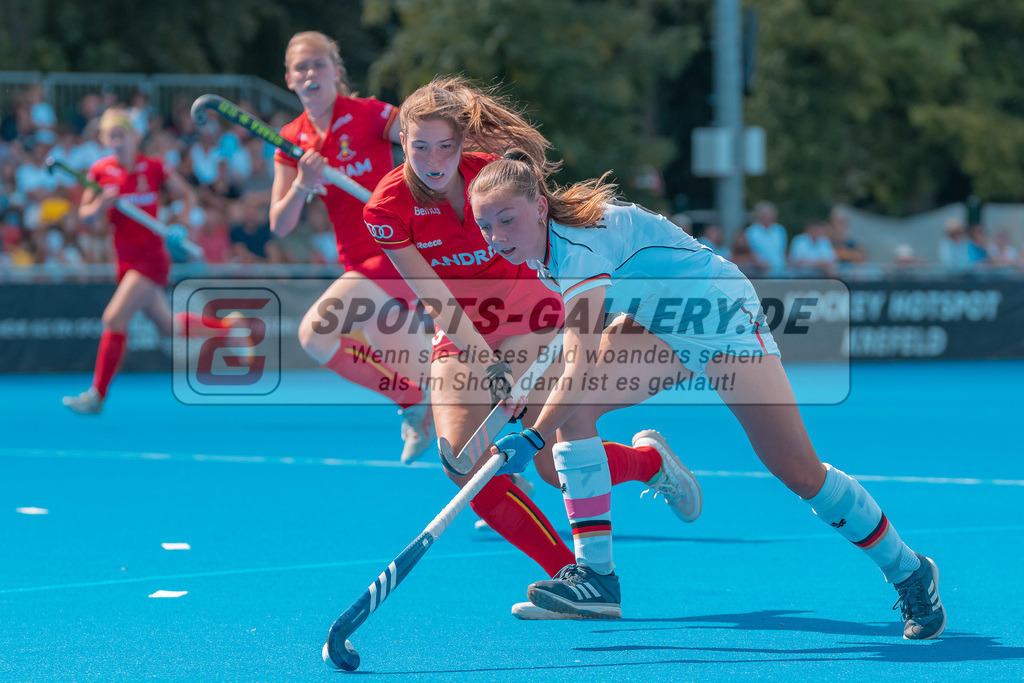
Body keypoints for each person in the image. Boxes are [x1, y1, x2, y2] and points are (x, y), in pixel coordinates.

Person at [467, 150, 946, 639]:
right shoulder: (544, 249)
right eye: (485, 226)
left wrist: (532, 437)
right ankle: (597, 579)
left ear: (540, 208)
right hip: (655, 321)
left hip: (720, 317)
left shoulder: (576, 250)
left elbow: (580, 357)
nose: (496, 237)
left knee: (798, 471)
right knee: (574, 409)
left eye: (507, 220)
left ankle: (909, 570)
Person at [364, 76, 700, 617]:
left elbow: (555, 228)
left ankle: (646, 464)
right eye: (419, 146)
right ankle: (571, 578)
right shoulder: (385, 208)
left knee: (550, 463)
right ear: (400, 141)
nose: (433, 159)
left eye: (445, 146)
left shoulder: (489, 175)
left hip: (532, 314)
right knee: (462, 466)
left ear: (462, 143)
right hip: (463, 331)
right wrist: (488, 364)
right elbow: (434, 297)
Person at [269, 30, 434, 463]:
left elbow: (428, 140)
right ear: (289, 79)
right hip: (358, 265)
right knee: (444, 395)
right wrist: (304, 186)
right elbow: (280, 225)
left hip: (395, 252)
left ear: (336, 72)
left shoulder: (367, 114)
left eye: (318, 64)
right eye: (300, 67)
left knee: (315, 334)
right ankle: (504, 480)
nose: (310, 73)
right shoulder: (290, 140)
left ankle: (412, 401)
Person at [61, 109, 232, 413]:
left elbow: (188, 195)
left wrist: (179, 221)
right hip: (123, 259)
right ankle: (227, 329)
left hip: (151, 258)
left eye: (121, 135)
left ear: (134, 136)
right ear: (103, 140)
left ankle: (97, 395)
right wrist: (101, 203)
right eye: (110, 136)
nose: (116, 142)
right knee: (168, 328)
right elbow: (85, 215)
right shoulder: (100, 172)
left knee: (114, 319)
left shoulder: (154, 167)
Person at [745, 200, 788, 276]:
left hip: (781, 270)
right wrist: (761, 264)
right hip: (760, 271)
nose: (768, 217)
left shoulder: (779, 230)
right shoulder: (751, 232)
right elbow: (749, 252)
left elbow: (783, 251)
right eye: (766, 215)